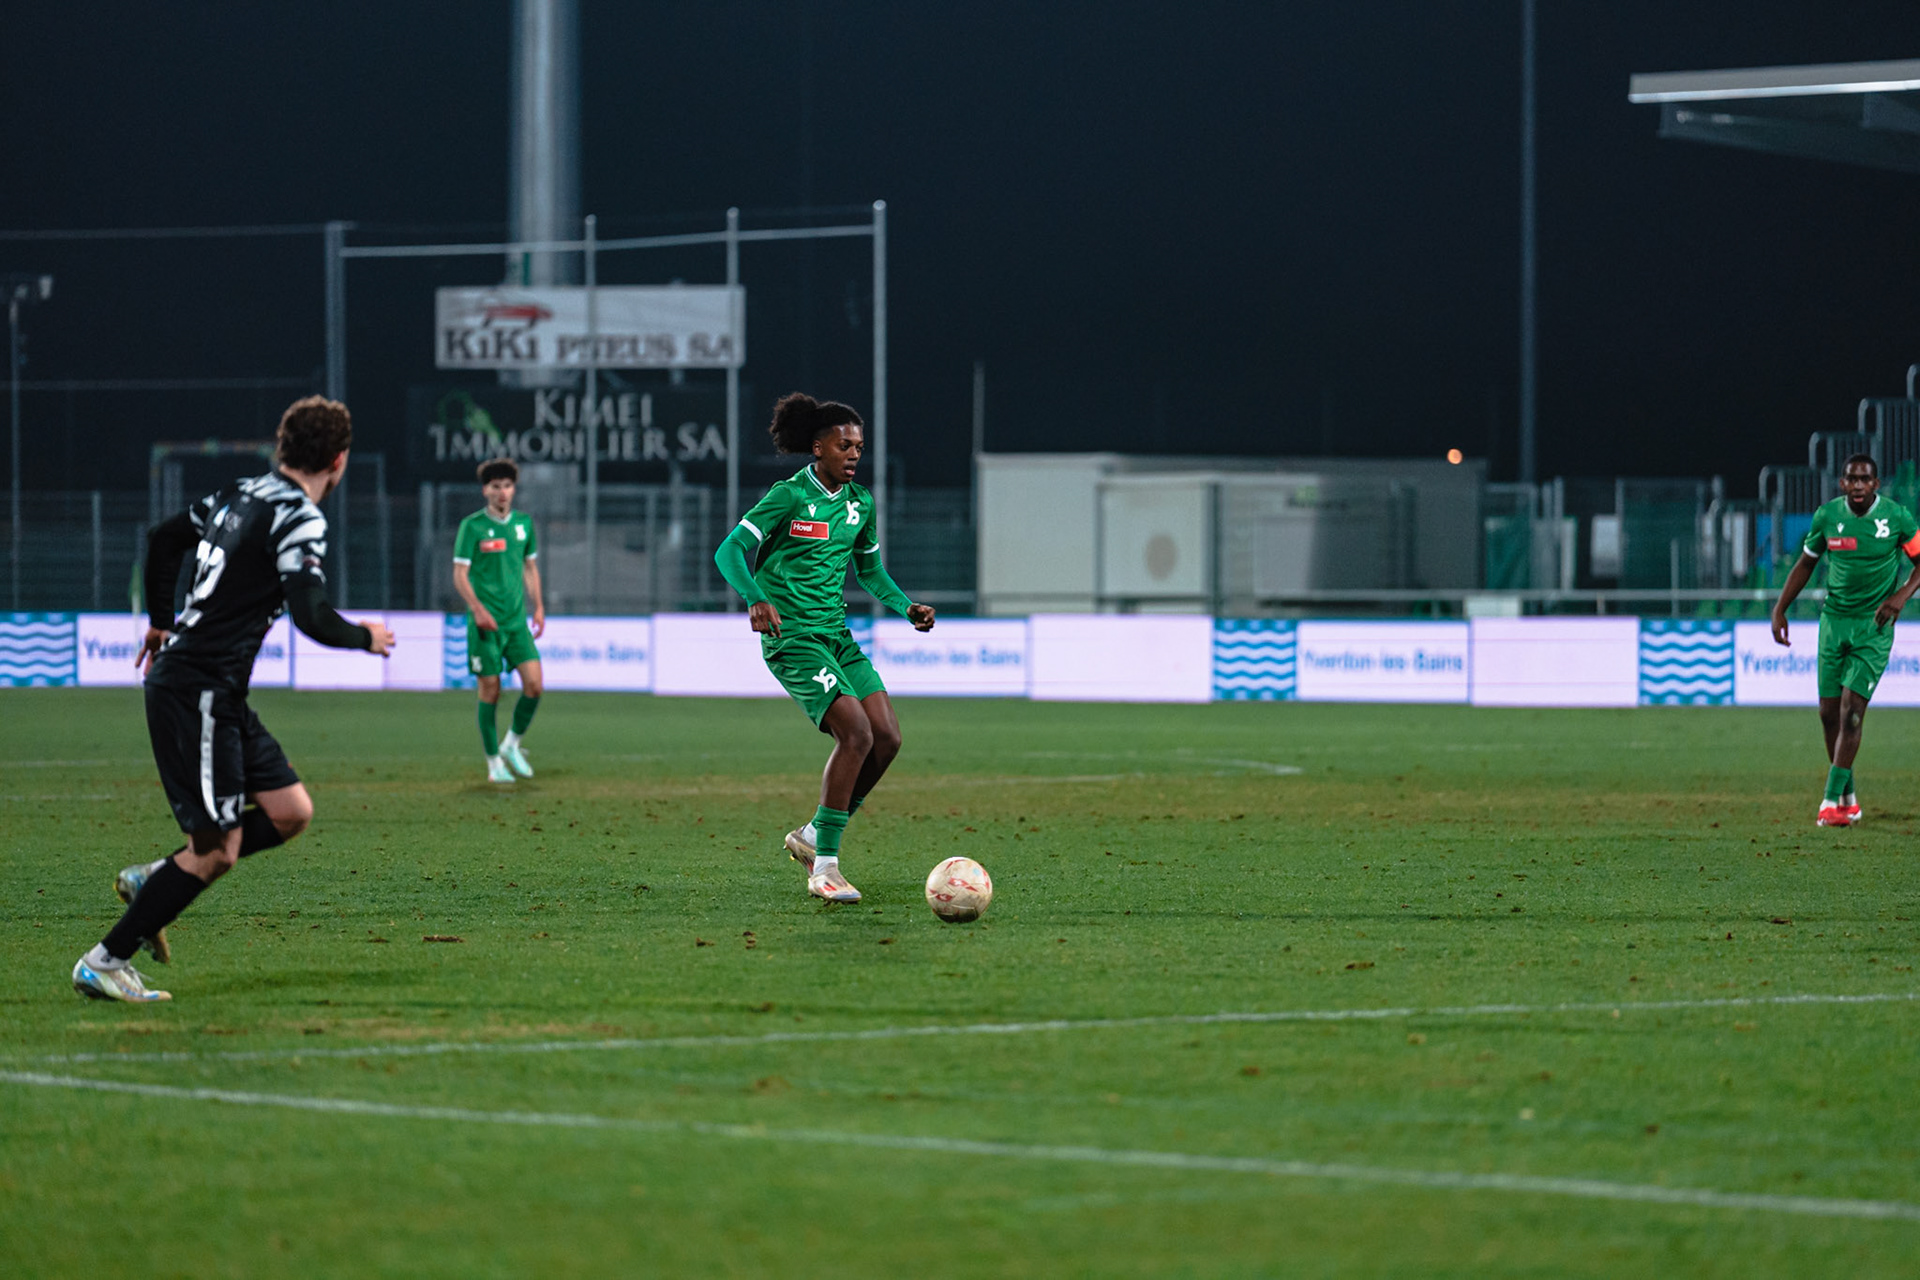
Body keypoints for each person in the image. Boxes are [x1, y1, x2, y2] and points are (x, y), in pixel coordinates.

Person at [73, 396, 395, 1002]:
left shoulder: (242, 492)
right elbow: (311, 614)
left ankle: (158, 879)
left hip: (215, 688)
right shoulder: (299, 515)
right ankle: (104, 960)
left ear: (284, 448)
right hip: (196, 689)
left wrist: (159, 619)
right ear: (339, 460)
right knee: (218, 850)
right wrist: (365, 637)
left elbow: (164, 539)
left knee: (290, 811)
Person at [712, 392, 936, 902]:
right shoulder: (789, 496)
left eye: (859, 446)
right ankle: (826, 867)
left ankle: (815, 833)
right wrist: (755, 597)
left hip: (837, 637)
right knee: (855, 732)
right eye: (844, 445)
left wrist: (906, 607)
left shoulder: (861, 505)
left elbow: (871, 570)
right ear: (818, 448)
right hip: (792, 639)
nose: (854, 454)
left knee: (887, 738)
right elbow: (730, 550)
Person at [1771, 452, 1920, 827]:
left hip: (1874, 626)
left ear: (1875, 484)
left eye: (1864, 479)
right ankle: (1849, 799)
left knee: (1852, 711)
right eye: (1850, 479)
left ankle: (1829, 802)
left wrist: (1900, 597)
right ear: (1842, 484)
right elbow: (1806, 563)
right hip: (1833, 624)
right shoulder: (1827, 516)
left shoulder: (1896, 517)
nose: (1857, 485)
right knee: (1828, 715)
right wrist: (1780, 608)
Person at [452, 458, 546, 783]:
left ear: (513, 489)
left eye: (507, 486)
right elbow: (460, 574)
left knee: (534, 685)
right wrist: (477, 608)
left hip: (516, 623)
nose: (502, 492)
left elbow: (530, 567)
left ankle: (511, 744)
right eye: (496, 486)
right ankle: (493, 763)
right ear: (485, 490)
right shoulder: (472, 526)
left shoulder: (523, 524)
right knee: (490, 690)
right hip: (484, 625)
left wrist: (539, 607)